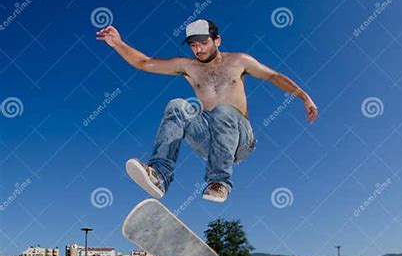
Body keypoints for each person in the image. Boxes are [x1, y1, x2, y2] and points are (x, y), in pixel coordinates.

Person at [96, 19, 318, 203]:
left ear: (217, 40)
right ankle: (160, 176)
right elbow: (145, 63)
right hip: (210, 142)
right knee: (177, 106)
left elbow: (273, 76)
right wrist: (118, 44)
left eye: (203, 43)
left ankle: (219, 182)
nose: (198, 50)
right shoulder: (188, 66)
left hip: (241, 140)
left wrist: (303, 96)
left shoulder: (239, 61)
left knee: (223, 111)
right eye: (193, 45)